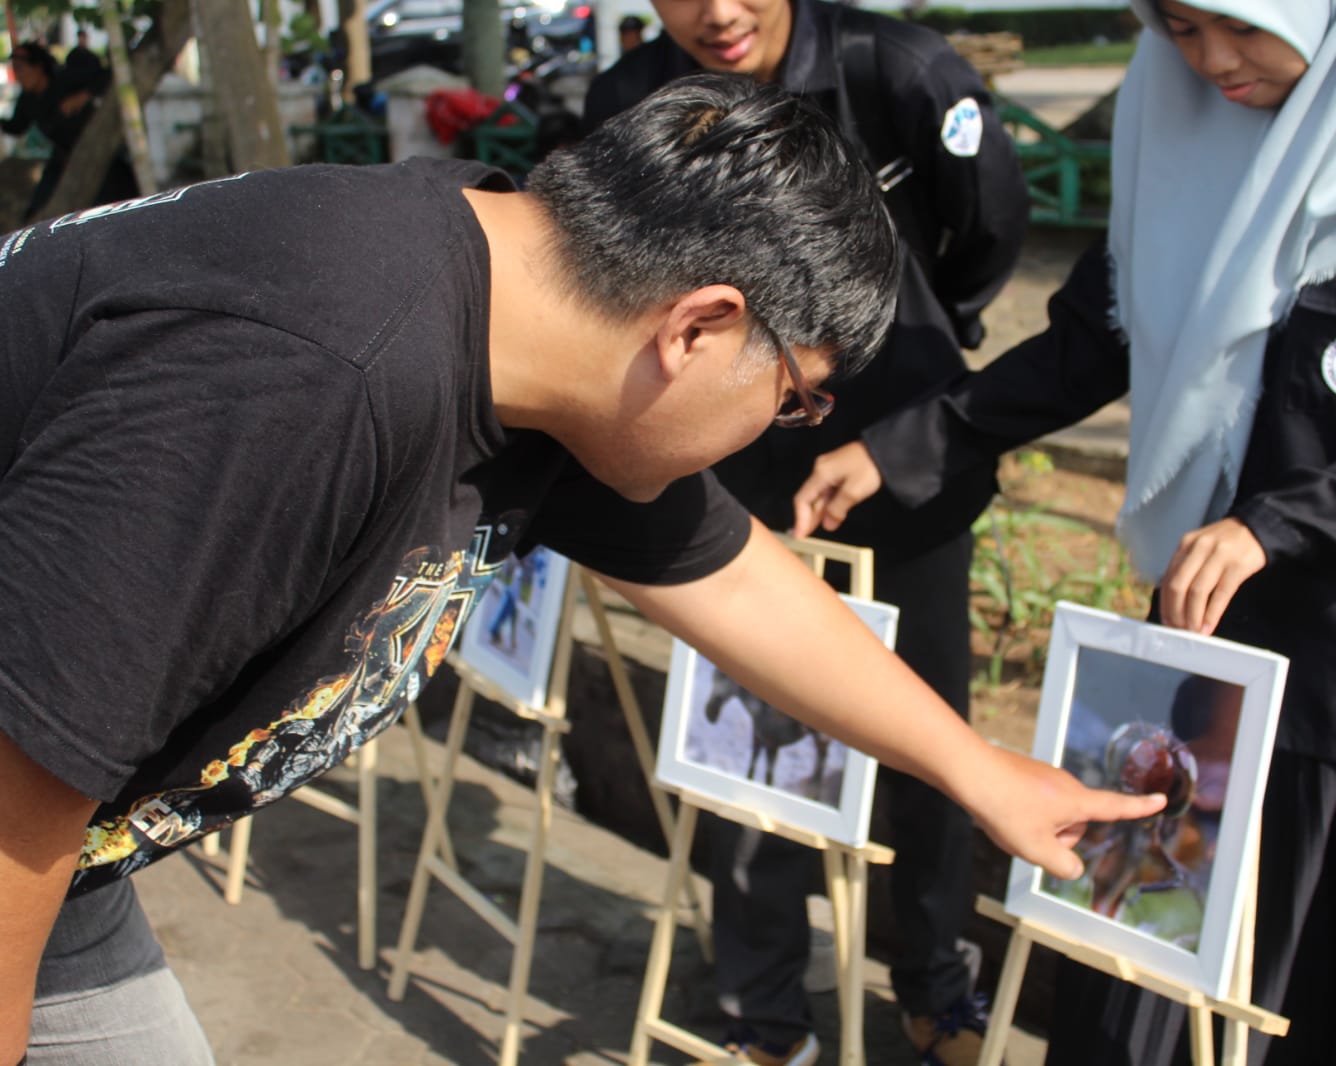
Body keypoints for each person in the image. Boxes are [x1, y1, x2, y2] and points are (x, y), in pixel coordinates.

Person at [0, 73, 1163, 1066]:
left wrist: (977, 770)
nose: (783, 432)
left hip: (68, 869)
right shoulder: (316, 372)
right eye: (793, 398)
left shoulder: (533, 331)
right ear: (699, 327)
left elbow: (734, 578)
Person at [792, 2, 1336, 1063]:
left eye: (1234, 26)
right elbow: (1093, 340)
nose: (1211, 64)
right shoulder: (1182, 127)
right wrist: (906, 445)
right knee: (1160, 962)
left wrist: (1278, 525)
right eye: (1179, 32)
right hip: (1221, 634)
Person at [584, 2, 1030, 1063]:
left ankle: (934, 986)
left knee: (925, 740)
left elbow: (986, 236)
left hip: (898, 472)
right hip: (729, 486)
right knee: (752, 743)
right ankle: (764, 1011)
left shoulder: (905, 72)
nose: (718, 13)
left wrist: (910, 362)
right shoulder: (629, 102)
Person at [2, 41, 129, 224]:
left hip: (96, 150)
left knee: (112, 199)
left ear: (38, 67)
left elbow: (107, 76)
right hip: (63, 156)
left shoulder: (65, 80)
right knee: (41, 203)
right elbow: (16, 126)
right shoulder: (27, 100)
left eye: (21, 68)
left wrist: (84, 95)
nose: (18, 75)